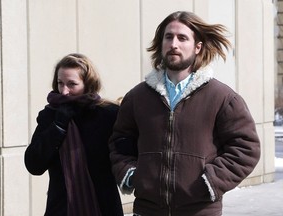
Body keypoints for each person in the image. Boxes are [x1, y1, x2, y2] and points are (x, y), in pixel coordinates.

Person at [109, 11, 260, 216]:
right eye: (168, 37)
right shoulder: (137, 97)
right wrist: (133, 175)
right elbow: (119, 143)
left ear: (197, 47)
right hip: (148, 210)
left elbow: (246, 148)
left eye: (182, 38)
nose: (174, 44)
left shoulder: (222, 97)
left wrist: (210, 182)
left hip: (200, 211)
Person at [25, 53, 124, 216]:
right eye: (60, 83)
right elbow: (34, 164)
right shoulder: (50, 115)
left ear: (88, 84)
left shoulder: (108, 115)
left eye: (72, 84)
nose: (64, 91)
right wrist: (58, 126)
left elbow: (127, 155)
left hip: (102, 207)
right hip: (62, 208)